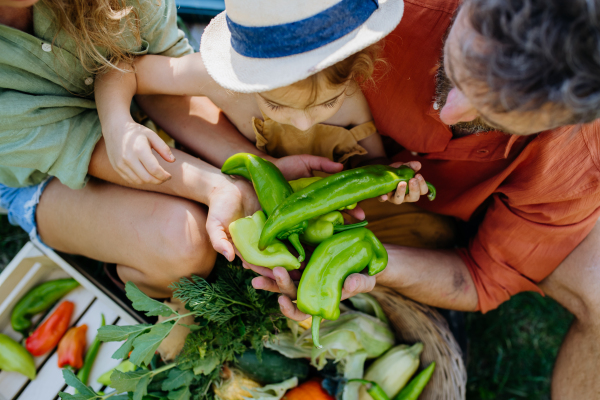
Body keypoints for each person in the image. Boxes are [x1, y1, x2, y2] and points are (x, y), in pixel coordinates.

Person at [246, 0, 600, 398]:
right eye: (459, 72)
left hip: (433, 212)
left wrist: (358, 261)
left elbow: (482, 277)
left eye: (494, 114)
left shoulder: (578, 156)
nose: (449, 112)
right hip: (309, 148)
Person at [0, 0, 344, 298]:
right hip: (41, 173)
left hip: (132, 106)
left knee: (267, 126)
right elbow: (86, 147)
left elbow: (160, 81)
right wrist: (219, 188)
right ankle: (139, 281)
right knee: (183, 245)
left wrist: (258, 167)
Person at [93, 0, 429, 210]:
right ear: (246, 79)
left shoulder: (353, 89)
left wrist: (392, 184)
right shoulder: (219, 81)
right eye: (277, 106)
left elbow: (374, 162)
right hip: (252, 194)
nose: (303, 123)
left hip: (322, 207)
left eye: (329, 102)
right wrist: (118, 124)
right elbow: (124, 69)